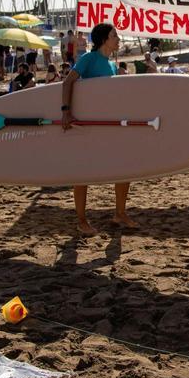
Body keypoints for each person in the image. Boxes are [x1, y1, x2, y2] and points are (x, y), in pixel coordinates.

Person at [60, 23, 137, 235]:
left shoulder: (110, 64)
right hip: (89, 124)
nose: (118, 39)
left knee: (125, 168)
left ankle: (119, 213)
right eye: (115, 36)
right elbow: (68, 83)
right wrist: (66, 111)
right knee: (84, 172)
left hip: (109, 124)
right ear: (104, 39)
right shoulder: (88, 59)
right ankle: (82, 220)